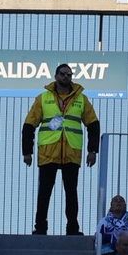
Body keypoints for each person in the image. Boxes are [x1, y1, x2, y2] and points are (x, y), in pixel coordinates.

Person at [22, 62, 101, 236]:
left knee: (71, 193)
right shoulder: (43, 98)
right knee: (44, 193)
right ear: (56, 76)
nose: (66, 77)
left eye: (69, 74)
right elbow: (29, 124)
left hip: (72, 152)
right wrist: (27, 152)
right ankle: (40, 227)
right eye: (63, 74)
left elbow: (93, 124)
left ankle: (73, 228)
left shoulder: (82, 99)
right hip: (48, 151)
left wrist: (92, 151)